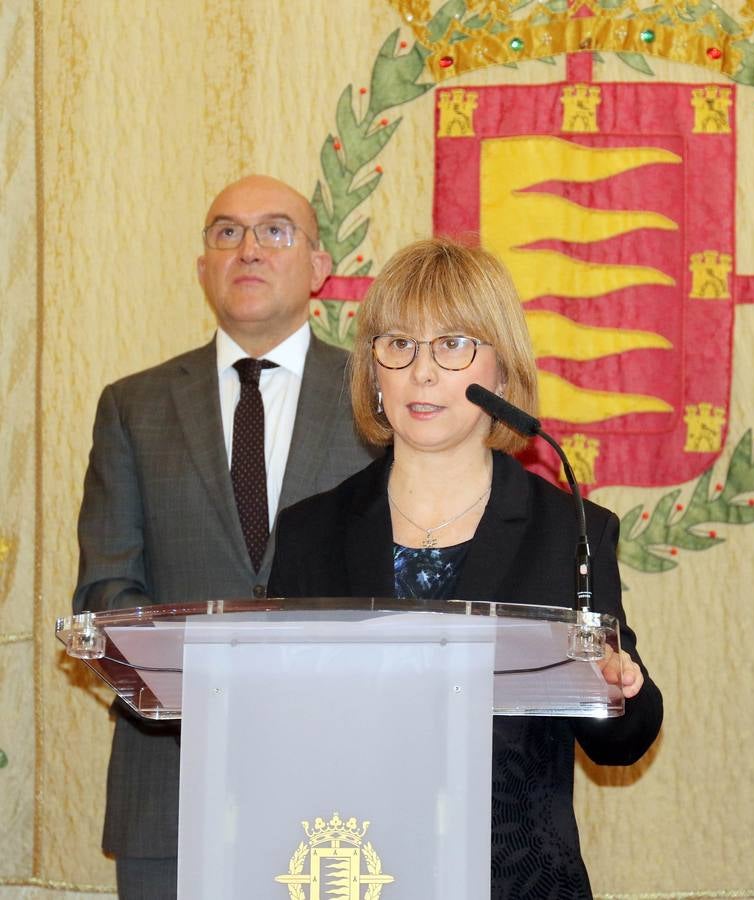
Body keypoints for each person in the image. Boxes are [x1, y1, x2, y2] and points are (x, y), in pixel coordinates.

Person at [268, 237, 663, 898]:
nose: (422, 372)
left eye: (453, 345)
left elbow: (620, 742)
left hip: (517, 880)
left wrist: (620, 689)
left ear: (502, 373)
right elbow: (279, 726)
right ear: (374, 374)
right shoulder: (313, 532)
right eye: (398, 345)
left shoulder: (570, 531)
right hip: (353, 873)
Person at [73, 175, 375, 898]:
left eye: (276, 231)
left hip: (344, 788)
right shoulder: (133, 406)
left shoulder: (378, 398)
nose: (248, 249)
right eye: (225, 231)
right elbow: (107, 589)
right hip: (173, 787)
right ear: (203, 264)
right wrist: (213, 689)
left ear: (319, 267)